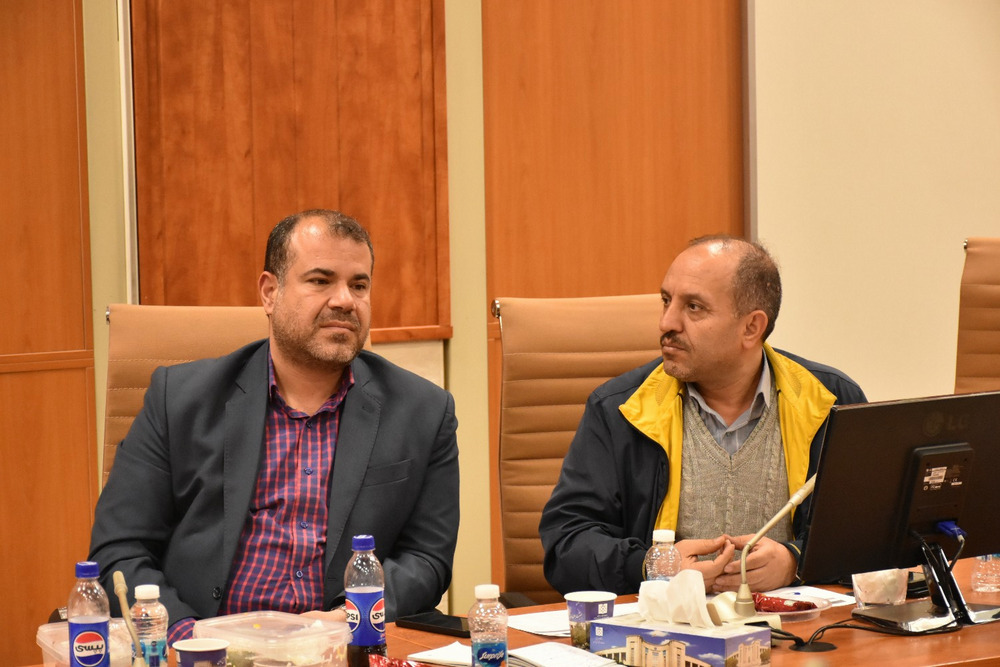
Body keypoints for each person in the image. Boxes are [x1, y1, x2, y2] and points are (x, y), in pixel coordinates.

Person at [89, 209, 460, 642]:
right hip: (204, 646)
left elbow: (427, 559)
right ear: (270, 293)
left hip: (337, 647)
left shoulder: (424, 410)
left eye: (359, 285)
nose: (345, 300)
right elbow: (119, 551)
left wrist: (353, 617)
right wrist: (188, 637)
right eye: (320, 281)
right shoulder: (179, 399)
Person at [539, 235, 866, 596]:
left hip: (793, 624)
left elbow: (871, 537)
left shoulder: (832, 402)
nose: (666, 322)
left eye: (693, 307)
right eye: (666, 301)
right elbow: (566, 544)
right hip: (663, 626)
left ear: (751, 327)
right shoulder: (620, 409)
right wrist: (656, 566)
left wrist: (795, 561)